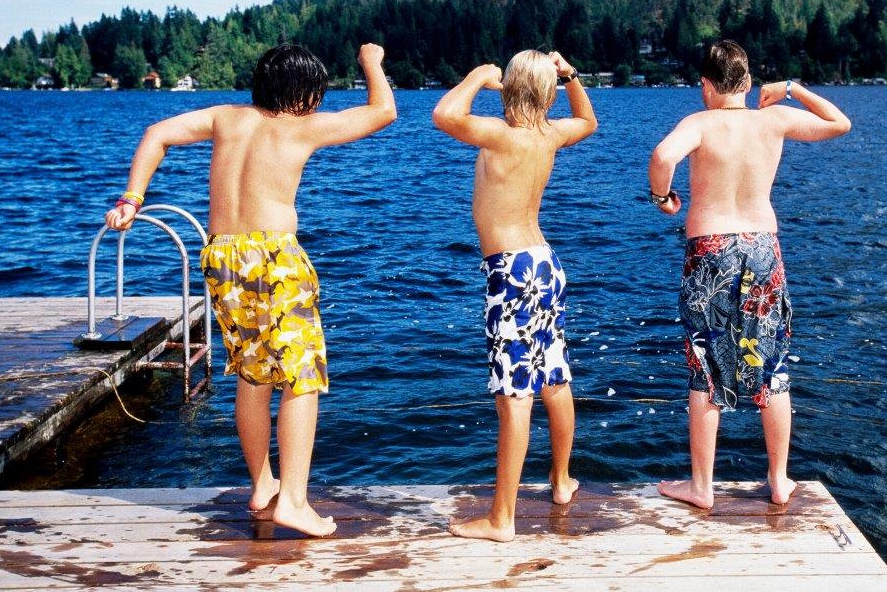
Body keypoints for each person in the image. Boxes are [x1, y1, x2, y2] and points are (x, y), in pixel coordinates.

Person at [104, 43, 396, 536]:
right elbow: (383, 110)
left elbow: (156, 134)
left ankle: (263, 485)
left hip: (222, 255)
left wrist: (133, 198)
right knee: (302, 377)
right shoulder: (302, 126)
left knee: (254, 375)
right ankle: (295, 502)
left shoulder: (226, 117)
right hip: (275, 258)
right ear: (303, 93)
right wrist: (372, 61)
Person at [648, 39, 851, 508]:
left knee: (705, 366)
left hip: (711, 248)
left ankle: (702, 487)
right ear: (747, 81)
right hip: (762, 248)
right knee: (773, 367)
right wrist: (794, 88)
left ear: (706, 85)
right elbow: (839, 123)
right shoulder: (772, 119)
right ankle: (779, 480)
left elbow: (662, 157)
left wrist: (664, 199)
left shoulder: (700, 122)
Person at [432, 50, 598, 542]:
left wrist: (477, 74)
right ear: (546, 92)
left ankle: (502, 518)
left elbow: (444, 115)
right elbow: (588, 119)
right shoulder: (548, 134)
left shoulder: (501, 135)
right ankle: (562, 479)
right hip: (545, 263)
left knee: (514, 395)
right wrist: (569, 75)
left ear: (510, 88)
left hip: (511, 271)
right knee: (554, 377)